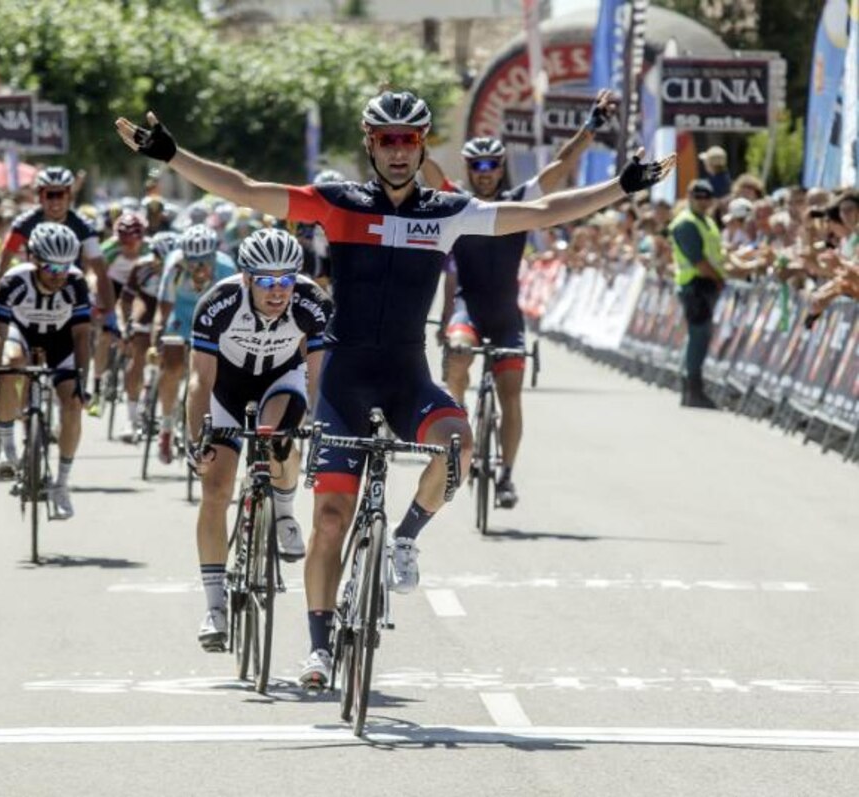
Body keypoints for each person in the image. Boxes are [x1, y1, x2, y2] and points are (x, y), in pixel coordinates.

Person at [116, 90, 674, 689]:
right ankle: (319, 649)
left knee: (458, 443)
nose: (400, 150)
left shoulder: (448, 212)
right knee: (330, 518)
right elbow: (247, 190)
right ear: (370, 143)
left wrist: (623, 185)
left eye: (411, 139)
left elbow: (541, 212)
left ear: (424, 143)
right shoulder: (337, 205)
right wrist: (172, 155)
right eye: (388, 139)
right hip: (345, 385)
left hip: (408, 380)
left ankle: (405, 537)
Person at [419, 90, 618, 507]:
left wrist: (592, 126)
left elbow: (560, 167)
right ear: (470, 170)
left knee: (511, 393)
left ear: (501, 168)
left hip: (506, 314)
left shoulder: (518, 200)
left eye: (492, 165)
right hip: (468, 310)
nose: (486, 172)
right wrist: (403, 129)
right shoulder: (457, 202)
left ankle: (506, 475)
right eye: (478, 166)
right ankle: (458, 440)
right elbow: (426, 167)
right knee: (457, 357)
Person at [187, 228, 332, 650]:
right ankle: (215, 607)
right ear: (247, 278)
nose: (277, 291)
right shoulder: (218, 303)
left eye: (286, 280)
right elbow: (200, 381)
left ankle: (284, 511)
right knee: (215, 488)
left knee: (274, 438)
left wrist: (320, 427)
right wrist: (198, 440)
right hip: (226, 389)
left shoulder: (312, 303)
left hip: (281, 382)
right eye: (266, 281)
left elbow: (319, 375)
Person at [0, 223, 92, 519]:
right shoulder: (13, 281)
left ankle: (62, 484)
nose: (58, 275)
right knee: (11, 363)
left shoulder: (76, 284)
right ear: (34, 260)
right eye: (51, 267)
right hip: (22, 335)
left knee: (73, 404)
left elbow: (82, 336)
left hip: (61, 341)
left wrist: (83, 380)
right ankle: (7, 449)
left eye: (65, 267)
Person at [150, 224, 236, 464]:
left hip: (214, 322)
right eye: (193, 261)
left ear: (213, 257)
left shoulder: (226, 268)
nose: (199, 268)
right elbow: (163, 309)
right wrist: (156, 336)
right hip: (182, 319)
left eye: (205, 261)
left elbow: (236, 311)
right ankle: (166, 426)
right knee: (172, 368)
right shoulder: (175, 267)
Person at [0, 166, 111, 317]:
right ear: (40, 196)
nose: (55, 201)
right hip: (33, 290)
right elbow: (3, 261)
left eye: (60, 194)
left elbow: (100, 270)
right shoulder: (23, 224)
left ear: (69, 196)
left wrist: (109, 314)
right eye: (50, 195)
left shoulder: (84, 226)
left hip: (71, 290)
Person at [117, 230, 181, 442]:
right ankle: (131, 418)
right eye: (158, 259)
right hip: (146, 309)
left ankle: (173, 410)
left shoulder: (180, 269)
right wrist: (126, 323)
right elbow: (126, 299)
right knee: (138, 358)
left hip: (171, 311)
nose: (161, 264)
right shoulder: (141, 268)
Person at [88, 211, 151, 418]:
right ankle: (96, 387)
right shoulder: (109, 249)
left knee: (135, 340)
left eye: (133, 243)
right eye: (124, 243)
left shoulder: (149, 249)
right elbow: (94, 276)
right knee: (105, 336)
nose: (128, 247)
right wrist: (99, 303)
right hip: (111, 288)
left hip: (137, 291)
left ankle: (134, 384)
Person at [670, 179, 724, 409]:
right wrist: (719, 279)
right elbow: (699, 260)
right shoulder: (686, 223)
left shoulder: (708, 222)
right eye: (698, 197)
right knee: (699, 336)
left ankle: (692, 389)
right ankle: (692, 390)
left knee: (699, 337)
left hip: (705, 284)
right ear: (689, 197)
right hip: (696, 284)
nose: (703, 201)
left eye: (707, 197)